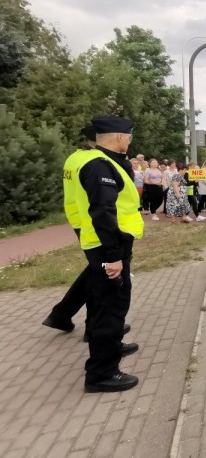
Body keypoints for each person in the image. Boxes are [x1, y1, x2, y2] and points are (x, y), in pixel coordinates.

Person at [43, 124, 131, 344]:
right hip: (101, 227)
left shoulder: (75, 158)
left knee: (96, 274)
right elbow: (104, 204)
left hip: (83, 223)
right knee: (104, 281)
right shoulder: (97, 163)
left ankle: (64, 314)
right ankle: (95, 329)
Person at [74, 115, 142, 393]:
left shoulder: (100, 162)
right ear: (117, 137)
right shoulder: (99, 166)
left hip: (104, 244)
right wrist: (113, 255)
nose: (129, 140)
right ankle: (102, 373)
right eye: (127, 136)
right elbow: (103, 211)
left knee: (109, 305)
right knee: (109, 308)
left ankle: (111, 351)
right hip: (107, 247)